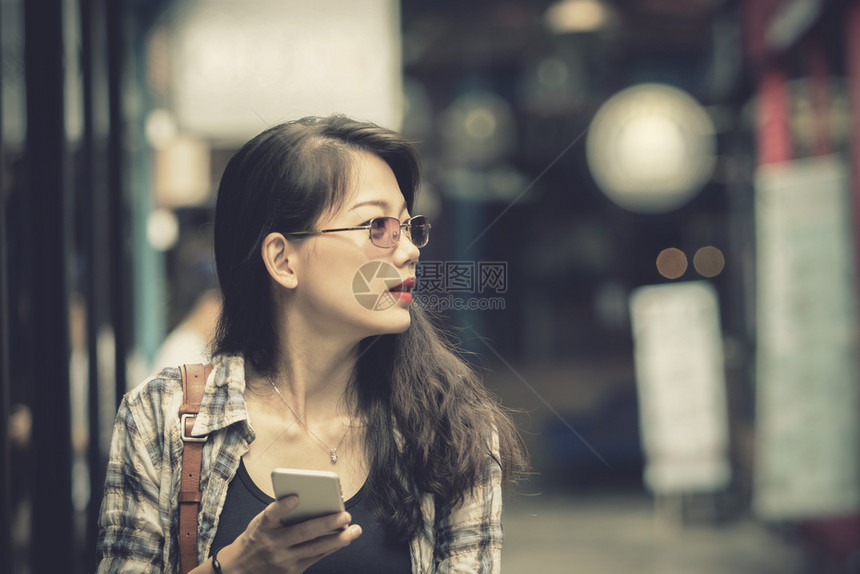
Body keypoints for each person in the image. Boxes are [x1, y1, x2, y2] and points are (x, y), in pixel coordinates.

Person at [97, 115, 527, 573]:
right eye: (376, 226)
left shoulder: (450, 427)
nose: (409, 250)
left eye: (407, 226)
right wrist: (237, 567)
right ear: (283, 260)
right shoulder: (164, 418)